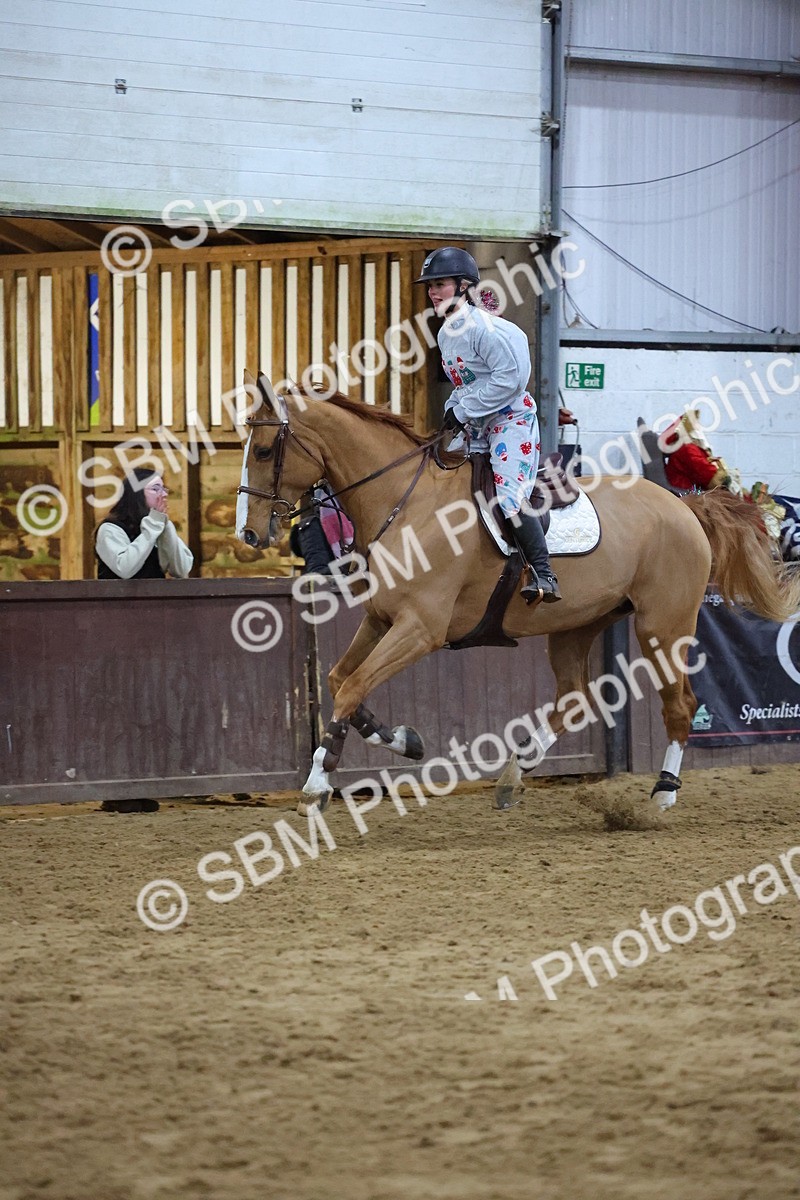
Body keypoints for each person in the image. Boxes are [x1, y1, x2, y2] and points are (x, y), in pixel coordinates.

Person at [416, 246, 560, 602]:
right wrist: (453, 409)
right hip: (478, 424)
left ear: (464, 286)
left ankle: (544, 575)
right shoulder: (446, 333)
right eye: (430, 285)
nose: (433, 291)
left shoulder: (485, 330)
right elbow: (465, 383)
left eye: (441, 284)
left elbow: (511, 380)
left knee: (509, 500)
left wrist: (463, 410)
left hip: (510, 421)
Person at [95, 468, 193, 579]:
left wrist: (165, 525)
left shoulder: (158, 525)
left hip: (154, 595)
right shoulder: (110, 528)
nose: (164, 494)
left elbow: (181, 570)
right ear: (137, 494)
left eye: (164, 489)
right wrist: (154, 525)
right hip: (118, 595)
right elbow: (124, 569)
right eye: (155, 489)